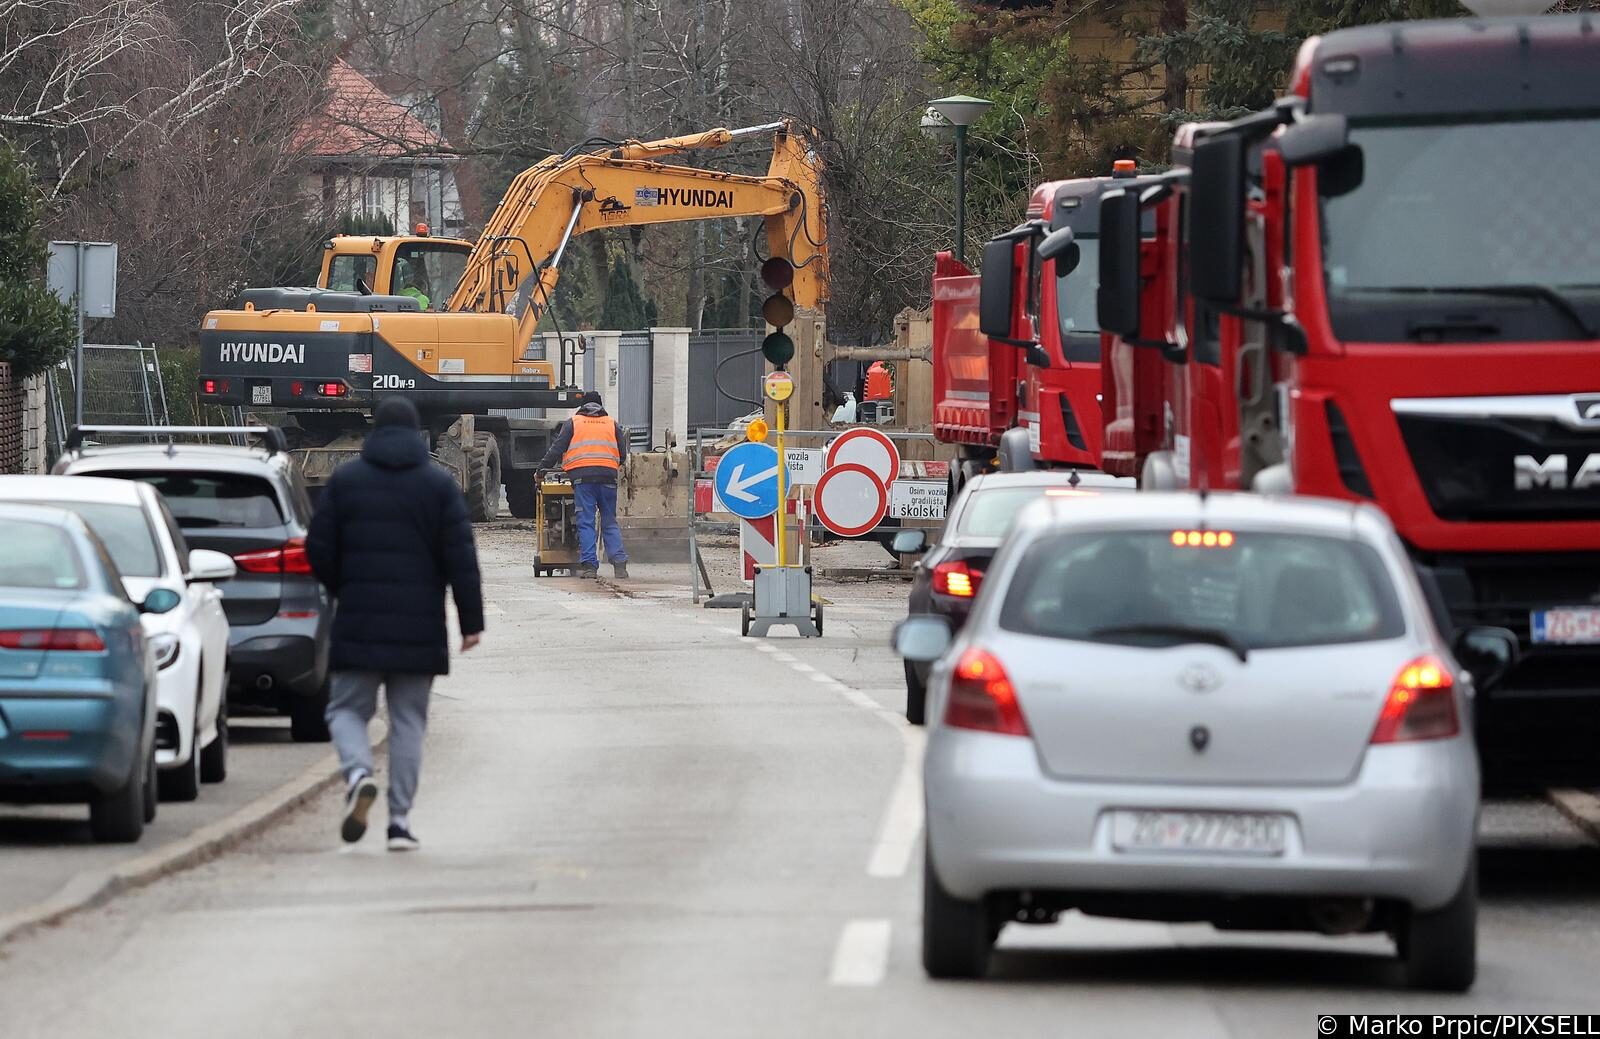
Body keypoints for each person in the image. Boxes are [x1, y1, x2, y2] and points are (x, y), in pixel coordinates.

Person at [306, 397, 484, 851]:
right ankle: (399, 823)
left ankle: (359, 773)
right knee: (408, 722)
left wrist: (343, 586)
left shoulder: (346, 483)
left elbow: (318, 548)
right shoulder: (438, 486)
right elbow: (460, 558)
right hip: (418, 626)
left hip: (357, 620)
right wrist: (470, 621)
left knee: (345, 710)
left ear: (374, 434)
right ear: (416, 435)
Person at [539, 391, 630, 579]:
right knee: (609, 520)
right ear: (600, 406)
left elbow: (557, 448)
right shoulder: (612, 423)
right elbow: (622, 455)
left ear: (583, 406)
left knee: (586, 521)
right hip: (608, 478)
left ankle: (590, 566)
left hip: (583, 480)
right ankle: (620, 565)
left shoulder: (574, 423)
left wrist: (542, 469)